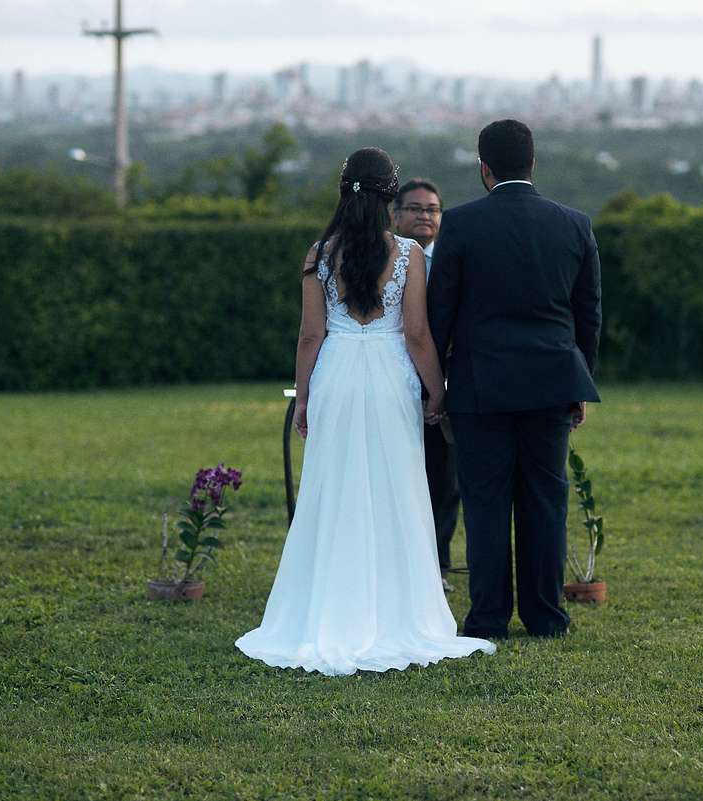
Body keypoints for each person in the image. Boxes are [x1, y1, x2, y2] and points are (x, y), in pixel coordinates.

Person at [236, 147, 495, 675]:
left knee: (332, 488)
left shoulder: (318, 253)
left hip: (335, 374)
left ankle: (325, 609)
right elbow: (418, 334)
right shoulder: (408, 255)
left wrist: (303, 396)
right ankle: (397, 610)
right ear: (389, 196)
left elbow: (311, 334)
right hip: (388, 376)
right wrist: (437, 391)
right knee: (396, 486)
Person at [427, 119, 602, 640]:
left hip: (480, 388)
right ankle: (547, 618)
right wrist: (579, 380)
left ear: (484, 168)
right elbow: (588, 315)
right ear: (533, 162)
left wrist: (435, 387)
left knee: (485, 503)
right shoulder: (575, 224)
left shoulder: (459, 225)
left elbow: (440, 316)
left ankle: (488, 620)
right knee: (546, 500)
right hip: (552, 381)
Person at [392, 178, 460, 595]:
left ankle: (438, 567)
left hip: (444, 383)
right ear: (396, 215)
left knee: (443, 479)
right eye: (414, 208)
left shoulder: (452, 261)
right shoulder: (384, 260)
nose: (424, 215)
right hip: (392, 380)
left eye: (432, 209)